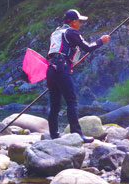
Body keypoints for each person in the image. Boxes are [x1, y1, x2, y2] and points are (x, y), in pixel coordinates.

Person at [47, 9, 110, 143]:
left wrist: (67, 66)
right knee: (71, 101)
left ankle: (54, 134)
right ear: (74, 22)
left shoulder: (56, 32)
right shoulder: (71, 32)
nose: (80, 24)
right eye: (79, 21)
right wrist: (101, 41)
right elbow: (87, 47)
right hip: (61, 67)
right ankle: (77, 134)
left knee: (54, 104)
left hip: (51, 69)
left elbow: (59, 51)